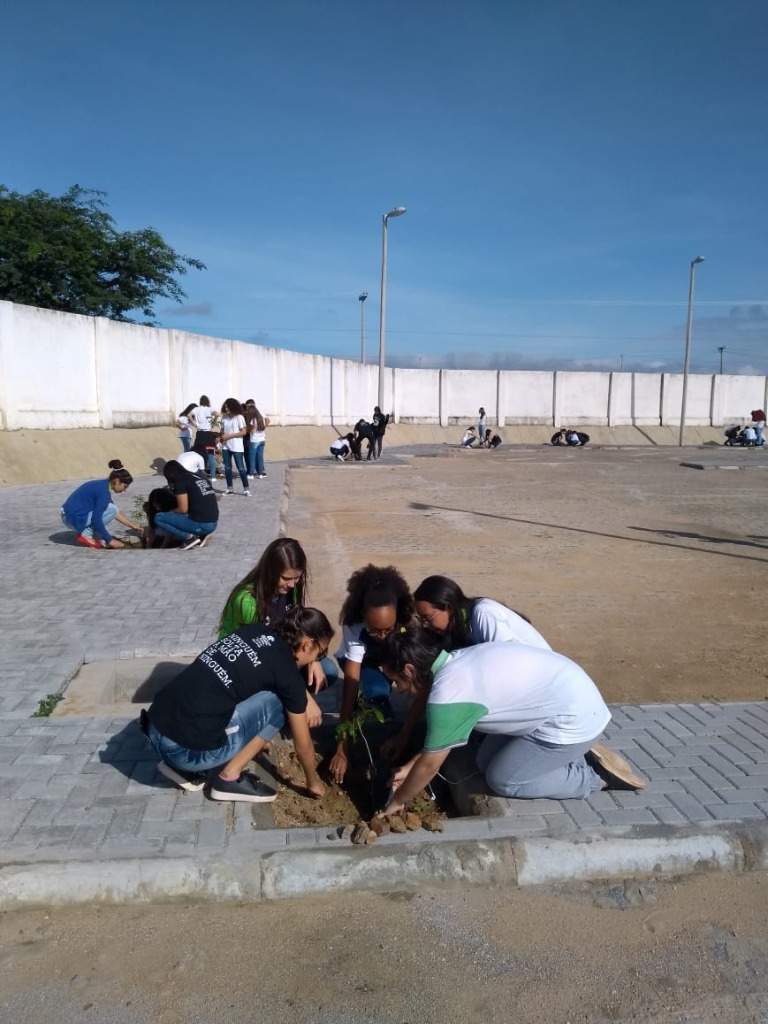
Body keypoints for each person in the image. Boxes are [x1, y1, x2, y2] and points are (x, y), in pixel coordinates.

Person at [374, 626, 644, 819]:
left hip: (574, 720)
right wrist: (410, 768)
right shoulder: (456, 662)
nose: (397, 688)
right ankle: (571, 756)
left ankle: (594, 778)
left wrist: (396, 802)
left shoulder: (448, 693)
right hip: (572, 702)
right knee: (484, 760)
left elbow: (431, 764)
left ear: (410, 669)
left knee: (503, 780)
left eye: (396, 679)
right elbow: (439, 744)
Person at [144, 606, 333, 803]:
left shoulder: (256, 630)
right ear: (307, 645)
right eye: (320, 653)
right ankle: (228, 778)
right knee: (279, 704)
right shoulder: (288, 676)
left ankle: (180, 768)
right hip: (183, 753)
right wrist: (313, 781)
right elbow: (303, 744)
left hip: (155, 725)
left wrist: (256, 734)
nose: (317, 659)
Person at [382, 574, 551, 762]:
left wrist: (424, 756)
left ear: (447, 607)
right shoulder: (453, 632)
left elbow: (508, 669)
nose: (426, 625)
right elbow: (428, 684)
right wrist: (404, 735)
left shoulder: (484, 615)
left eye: (428, 618)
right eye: (421, 620)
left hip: (538, 687)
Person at [217, 538, 329, 718]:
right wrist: (303, 696)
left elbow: (296, 631)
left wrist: (313, 659)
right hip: (246, 662)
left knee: (326, 670)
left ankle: (284, 699)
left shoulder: (290, 589)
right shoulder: (248, 601)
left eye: (297, 577)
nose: (292, 584)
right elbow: (263, 655)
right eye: (286, 578)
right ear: (270, 571)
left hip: (274, 650)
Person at [329, 565, 415, 784]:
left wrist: (407, 734)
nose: (381, 636)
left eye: (388, 630)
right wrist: (341, 746)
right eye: (374, 630)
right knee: (376, 691)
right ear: (363, 617)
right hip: (360, 660)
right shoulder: (355, 627)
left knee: (388, 685)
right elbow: (351, 681)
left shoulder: (404, 622)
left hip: (385, 659)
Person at [60, 459, 142, 549]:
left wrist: (131, 525)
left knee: (111, 508)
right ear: (117, 481)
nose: (124, 490)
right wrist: (109, 539)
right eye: (125, 486)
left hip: (68, 516)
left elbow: (114, 513)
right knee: (111, 509)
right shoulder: (104, 493)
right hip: (71, 519)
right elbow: (97, 518)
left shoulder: (102, 485)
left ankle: (88, 530)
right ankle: (86, 534)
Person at [153, 459, 219, 550]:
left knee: (159, 517)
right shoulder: (199, 477)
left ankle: (189, 538)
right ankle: (201, 535)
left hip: (202, 525)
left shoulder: (180, 482)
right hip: (213, 523)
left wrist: (170, 512)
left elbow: (182, 509)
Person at [219, 398, 250, 496]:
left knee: (240, 468)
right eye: (225, 406)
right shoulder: (223, 418)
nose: (226, 408)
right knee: (227, 468)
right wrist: (221, 437)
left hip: (237, 447)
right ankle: (229, 488)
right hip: (225, 446)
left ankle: (246, 489)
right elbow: (222, 431)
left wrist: (229, 436)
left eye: (228, 406)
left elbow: (243, 432)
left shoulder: (239, 417)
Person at [190, 395, 218, 479]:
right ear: (207, 401)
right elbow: (217, 414)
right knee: (210, 455)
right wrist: (213, 422)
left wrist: (194, 423)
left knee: (199, 454)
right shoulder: (209, 409)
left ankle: (199, 475)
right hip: (209, 433)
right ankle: (213, 477)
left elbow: (189, 415)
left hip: (200, 433)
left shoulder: (196, 409)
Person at [245, 400, 270, 479]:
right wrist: (264, 427)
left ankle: (251, 474)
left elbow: (252, 431)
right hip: (262, 439)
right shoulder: (260, 417)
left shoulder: (253, 419)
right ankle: (260, 474)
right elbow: (267, 420)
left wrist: (248, 430)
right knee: (260, 457)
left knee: (252, 457)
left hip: (254, 440)